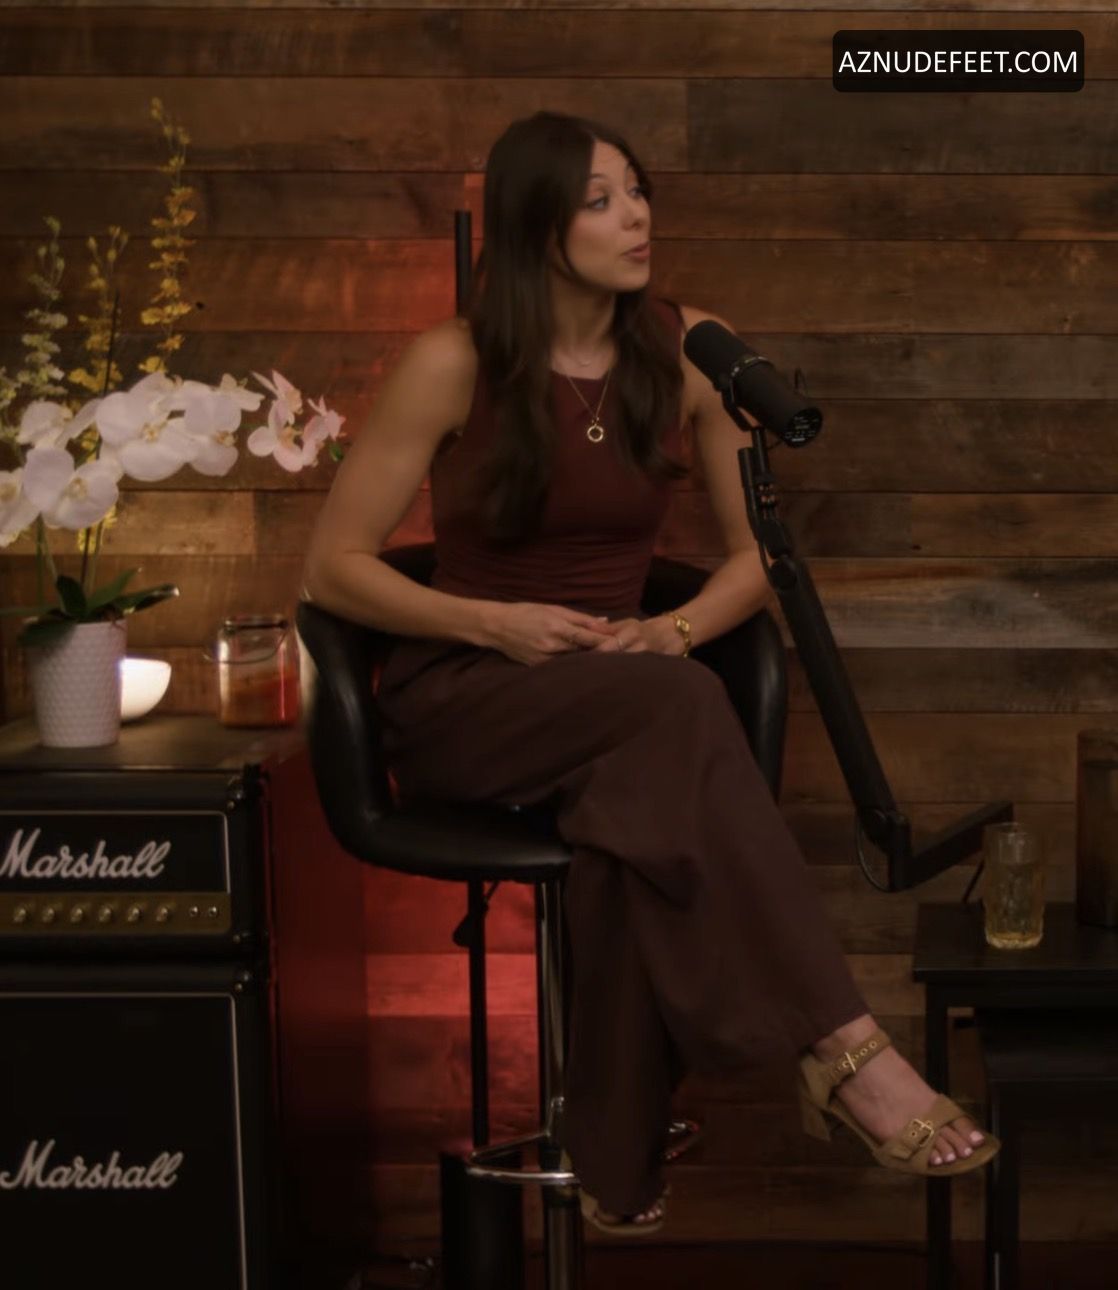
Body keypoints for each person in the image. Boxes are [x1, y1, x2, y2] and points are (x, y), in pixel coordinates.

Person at [302, 110, 999, 1234]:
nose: (634, 218)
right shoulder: (453, 361)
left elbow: (758, 559)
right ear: (538, 229)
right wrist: (492, 625)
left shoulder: (691, 351)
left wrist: (670, 632)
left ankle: (613, 1155)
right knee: (673, 714)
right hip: (469, 695)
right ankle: (845, 1049)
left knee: (634, 809)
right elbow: (332, 568)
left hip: (622, 690)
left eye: (636, 192)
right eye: (599, 200)